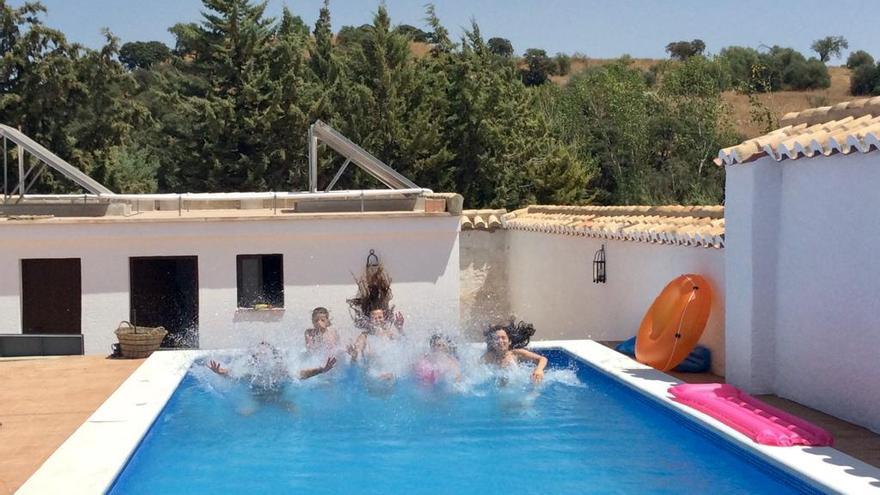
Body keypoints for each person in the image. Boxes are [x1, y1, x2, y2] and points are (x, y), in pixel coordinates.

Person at [481, 321, 547, 384]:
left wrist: (539, 370)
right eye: (497, 338)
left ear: (509, 341)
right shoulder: (489, 356)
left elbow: (543, 359)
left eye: (503, 338)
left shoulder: (516, 353)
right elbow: (475, 369)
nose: (500, 341)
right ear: (492, 343)